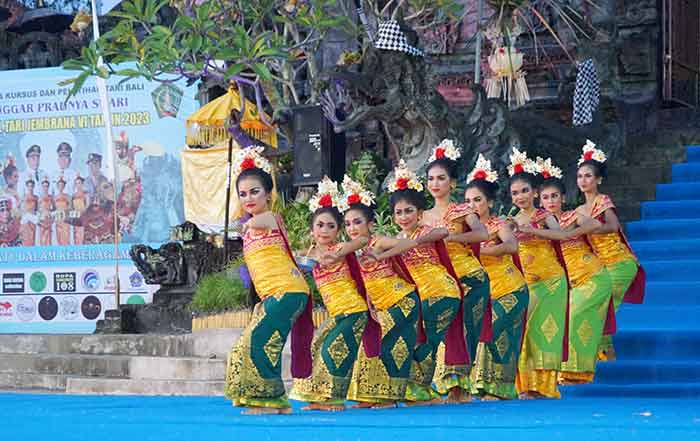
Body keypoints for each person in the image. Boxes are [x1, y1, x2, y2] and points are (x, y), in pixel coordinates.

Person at [224, 146, 313, 415]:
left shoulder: (271, 218)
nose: (248, 198)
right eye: (242, 194)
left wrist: (246, 224)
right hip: (274, 295)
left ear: (268, 193)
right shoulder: (250, 227)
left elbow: (262, 219)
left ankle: (270, 400)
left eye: (255, 192)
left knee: (262, 339)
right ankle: (262, 397)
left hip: (288, 291)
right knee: (245, 345)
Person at [368, 160, 463, 406]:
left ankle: (417, 388)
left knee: (426, 341)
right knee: (421, 339)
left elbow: (442, 233)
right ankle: (414, 388)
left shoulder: (426, 230)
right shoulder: (395, 238)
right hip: (419, 297)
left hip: (442, 292)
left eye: (408, 211)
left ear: (420, 213)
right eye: (398, 212)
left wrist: (408, 242)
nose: (403, 217)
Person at [517, 157, 613, 384]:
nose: (550, 201)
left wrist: (568, 233)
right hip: (565, 281)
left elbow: (597, 225)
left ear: (563, 198)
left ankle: (575, 373)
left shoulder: (571, 217)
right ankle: (567, 373)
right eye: (545, 197)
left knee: (576, 314)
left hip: (592, 276)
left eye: (555, 196)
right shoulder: (539, 221)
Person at [289, 177, 371, 411]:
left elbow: (362, 240)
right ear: (312, 229)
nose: (325, 230)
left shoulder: (340, 249)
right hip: (337, 314)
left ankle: (333, 399)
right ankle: (320, 398)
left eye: (331, 226)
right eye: (320, 225)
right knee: (316, 347)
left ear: (338, 230)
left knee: (331, 350)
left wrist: (338, 253)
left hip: (354, 311)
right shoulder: (308, 254)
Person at [341, 175, 421, 409]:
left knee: (383, 345)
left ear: (370, 224)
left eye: (357, 222)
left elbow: (408, 244)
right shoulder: (348, 251)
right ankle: (370, 396)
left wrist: (380, 255)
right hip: (379, 306)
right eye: (347, 224)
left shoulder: (377, 242)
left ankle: (385, 396)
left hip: (402, 301)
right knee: (372, 346)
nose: (352, 228)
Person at [422, 140, 491, 403]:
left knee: (465, 329)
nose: (435, 183)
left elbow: (482, 233)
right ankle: (443, 382)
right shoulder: (422, 216)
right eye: (431, 178)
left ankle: (460, 385)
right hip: (438, 279)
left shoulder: (462, 210)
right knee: (440, 329)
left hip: (468, 276)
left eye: (441, 178)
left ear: (452, 183)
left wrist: (449, 239)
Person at [465, 154, 529, 401]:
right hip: (483, 292)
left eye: (478, 200)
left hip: (510, 288)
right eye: (468, 200)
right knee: (489, 334)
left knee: (497, 333)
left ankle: (499, 387)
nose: (472, 205)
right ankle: (485, 386)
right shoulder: (463, 230)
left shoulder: (497, 224)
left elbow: (512, 246)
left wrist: (482, 250)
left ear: (489, 202)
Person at [507, 148, 568, 400]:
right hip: (527, 283)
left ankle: (545, 387)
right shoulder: (510, 220)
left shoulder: (544, 216)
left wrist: (534, 231)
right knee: (526, 332)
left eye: (524, 191)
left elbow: (561, 235)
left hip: (552, 281)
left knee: (546, 332)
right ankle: (526, 386)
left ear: (534, 192)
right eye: (514, 193)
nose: (520, 196)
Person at [575, 140, 645, 361]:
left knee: (600, 304)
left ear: (598, 180)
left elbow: (614, 226)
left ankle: (599, 355)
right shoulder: (578, 210)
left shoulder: (602, 200)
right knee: (599, 307)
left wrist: (592, 227)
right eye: (580, 176)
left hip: (620, 263)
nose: (583, 180)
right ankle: (605, 354)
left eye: (588, 176)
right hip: (600, 267)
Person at [54, 175, 72, 245]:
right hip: (58, 218)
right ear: (57, 186)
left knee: (66, 236)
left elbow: (70, 207)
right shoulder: (55, 197)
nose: (61, 187)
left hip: (65, 218)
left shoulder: (68, 196)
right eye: (59, 185)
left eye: (62, 185)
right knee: (58, 236)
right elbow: (53, 208)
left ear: (64, 186)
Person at [20, 179, 38, 246]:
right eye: (29, 186)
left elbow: (37, 208)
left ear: (34, 186)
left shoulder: (36, 197)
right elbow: (21, 208)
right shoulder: (24, 197)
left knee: (32, 236)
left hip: (33, 218)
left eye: (32, 186)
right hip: (26, 218)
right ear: (27, 187)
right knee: (26, 236)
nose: (30, 188)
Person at [71, 174, 88, 245]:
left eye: (79, 183)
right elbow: (72, 207)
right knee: (76, 235)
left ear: (82, 184)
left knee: (83, 235)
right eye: (76, 183)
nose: (78, 185)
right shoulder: (73, 195)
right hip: (76, 217)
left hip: (83, 217)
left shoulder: (86, 194)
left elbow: (87, 206)